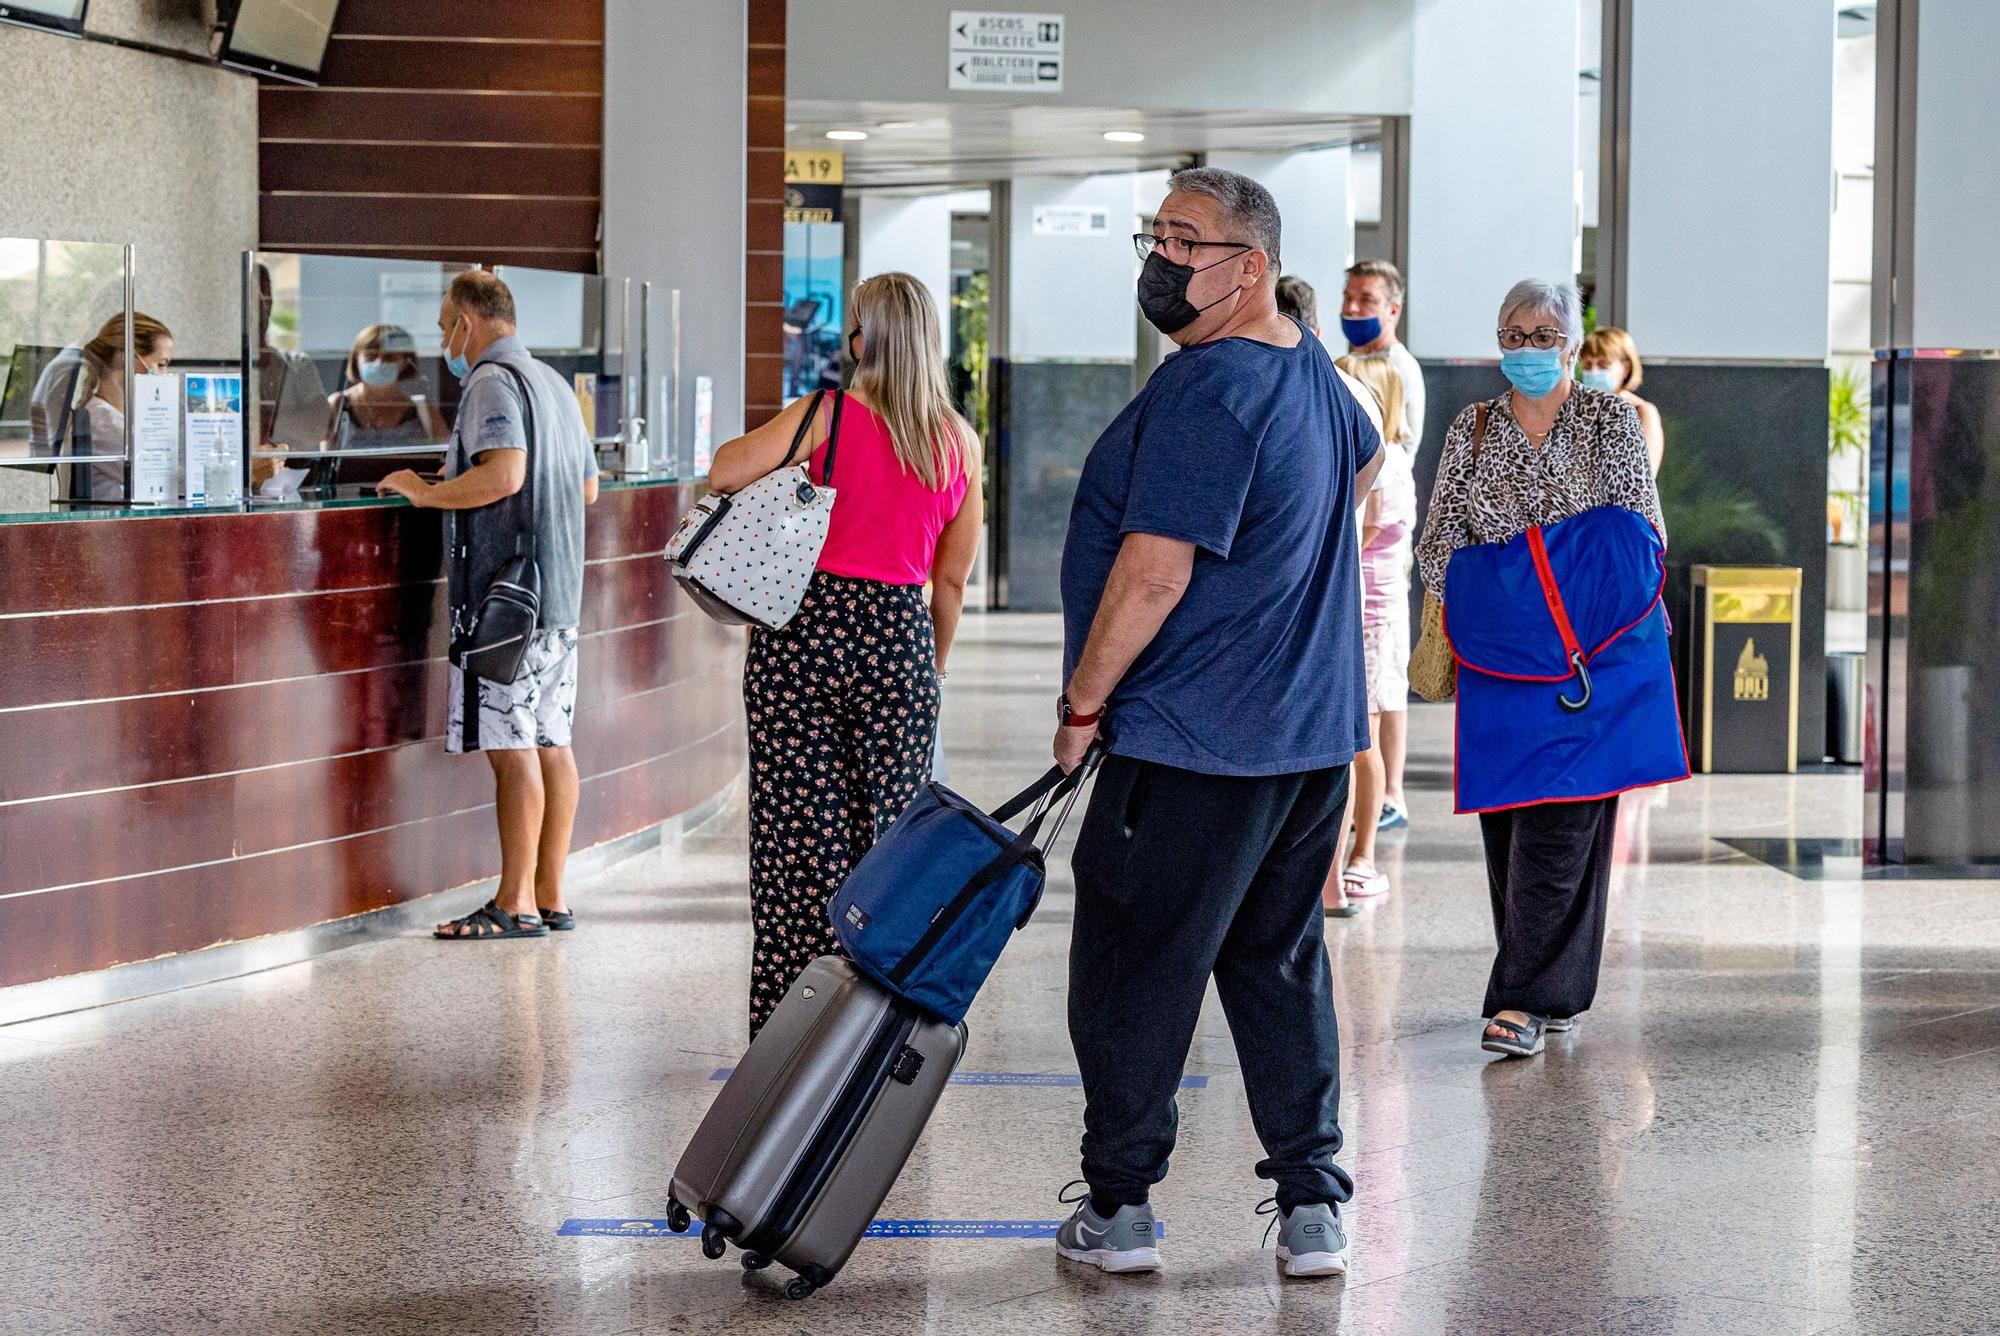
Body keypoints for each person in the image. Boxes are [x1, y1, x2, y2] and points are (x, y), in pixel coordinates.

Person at [1053, 168, 1381, 1280]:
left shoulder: (1211, 388)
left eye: (1183, 241)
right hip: (1303, 746)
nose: (1159, 257)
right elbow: (1369, 466)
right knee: (1277, 963)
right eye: (1155, 235)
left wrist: (1083, 703)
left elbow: (1149, 574)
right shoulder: (1313, 377)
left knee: (1135, 966)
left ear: (1248, 268)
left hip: (1191, 741)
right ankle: (1310, 1203)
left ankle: (1121, 1207)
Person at [709, 271, 982, 1038]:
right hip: (900, 640)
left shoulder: (825, 416)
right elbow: (950, 582)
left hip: (802, 634)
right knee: (889, 847)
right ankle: (878, 1030)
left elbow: (725, 470)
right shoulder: (960, 442)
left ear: (865, 339)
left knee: (800, 840)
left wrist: (797, 471)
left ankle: (792, 1031)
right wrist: (930, 671)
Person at [1415, 279, 1666, 1057]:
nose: (1526, 345)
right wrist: (1510, 592)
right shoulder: (1475, 426)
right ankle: (1556, 988)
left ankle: (1523, 996)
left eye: (1543, 331)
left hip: (1591, 653)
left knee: (1564, 820)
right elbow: (1438, 540)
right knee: (1513, 825)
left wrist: (1529, 577)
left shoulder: (1607, 420)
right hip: (1499, 654)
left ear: (1571, 340)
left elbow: (1637, 532)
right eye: (1512, 331)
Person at [376, 271, 600, 941]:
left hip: (507, 601)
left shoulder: (491, 382)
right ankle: (550, 894)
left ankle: (514, 903)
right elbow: (586, 488)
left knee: (511, 746)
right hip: (557, 597)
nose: (445, 338)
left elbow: (505, 473)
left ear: (468, 324)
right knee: (552, 742)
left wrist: (423, 491)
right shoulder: (554, 384)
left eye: (447, 325)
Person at [1340, 259, 1423, 832]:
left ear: (1393, 308)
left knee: (1380, 690)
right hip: (1372, 573)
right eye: (1349, 298)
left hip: (1379, 574)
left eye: (1367, 300)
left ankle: (1386, 794)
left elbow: (1381, 493)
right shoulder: (1362, 366)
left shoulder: (1398, 372)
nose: (1354, 310)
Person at [1332, 354, 1416, 903]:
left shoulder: (1387, 464)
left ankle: (1359, 857)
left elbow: (1363, 532)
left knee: (1359, 741)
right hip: (1354, 611)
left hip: (1372, 613)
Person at [314, 324, 447, 489]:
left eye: (390, 358)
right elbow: (326, 466)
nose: (379, 363)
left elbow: (447, 465)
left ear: (406, 362)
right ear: (356, 359)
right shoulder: (338, 405)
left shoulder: (423, 409)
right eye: (371, 356)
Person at [69, 313, 174, 501]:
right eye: (161, 364)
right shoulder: (102, 423)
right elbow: (162, 476)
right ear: (127, 359)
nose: (164, 374)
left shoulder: (109, 416)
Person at [1579, 326, 1665, 474]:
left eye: (1602, 364)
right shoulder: (1579, 410)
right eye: (1587, 365)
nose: (1594, 371)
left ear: (1625, 368)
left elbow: (1646, 476)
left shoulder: (1642, 412)